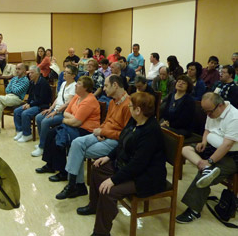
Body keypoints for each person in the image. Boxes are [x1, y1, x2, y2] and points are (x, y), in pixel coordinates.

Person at [77, 92, 166, 236]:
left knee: (109, 191)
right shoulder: (135, 121)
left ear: (138, 110)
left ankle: (100, 233)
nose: (129, 107)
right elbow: (122, 143)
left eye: (131, 106)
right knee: (97, 167)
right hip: (128, 166)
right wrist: (108, 157)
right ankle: (95, 206)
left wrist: (113, 180)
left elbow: (139, 164)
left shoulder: (151, 131)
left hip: (146, 177)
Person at [57, 75, 132, 200]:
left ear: (115, 85)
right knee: (76, 143)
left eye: (106, 86)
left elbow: (126, 136)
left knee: (77, 151)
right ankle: (75, 185)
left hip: (114, 141)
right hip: (103, 134)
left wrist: (104, 132)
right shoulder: (113, 102)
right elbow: (107, 121)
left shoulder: (128, 105)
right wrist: (101, 131)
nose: (103, 89)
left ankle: (75, 185)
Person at [176, 92, 238, 224]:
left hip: (232, 156)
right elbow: (207, 130)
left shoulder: (234, 117)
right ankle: (206, 168)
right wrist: (203, 142)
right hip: (212, 148)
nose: (208, 115)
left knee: (203, 177)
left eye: (209, 111)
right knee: (186, 149)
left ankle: (194, 211)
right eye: (205, 111)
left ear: (220, 105)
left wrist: (210, 161)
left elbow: (227, 145)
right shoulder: (212, 111)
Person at [35, 76, 100, 181]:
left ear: (86, 88)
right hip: (73, 126)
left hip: (86, 131)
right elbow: (66, 112)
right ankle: (50, 165)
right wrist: (70, 118)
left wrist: (67, 119)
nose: (76, 85)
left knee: (59, 138)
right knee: (51, 133)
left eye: (79, 83)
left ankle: (63, 172)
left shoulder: (89, 101)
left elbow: (77, 122)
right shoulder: (77, 97)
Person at [32, 65, 77, 157]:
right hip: (56, 110)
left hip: (64, 113)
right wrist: (50, 108)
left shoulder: (74, 86)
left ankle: (42, 147)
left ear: (73, 75)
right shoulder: (64, 83)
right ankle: (43, 142)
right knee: (39, 117)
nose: (64, 73)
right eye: (64, 71)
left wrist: (55, 112)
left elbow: (68, 103)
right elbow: (58, 98)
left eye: (67, 72)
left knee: (45, 121)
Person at [13, 66, 51, 142]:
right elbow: (30, 96)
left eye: (32, 73)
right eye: (29, 72)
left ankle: (27, 134)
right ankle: (20, 131)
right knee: (17, 111)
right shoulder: (32, 82)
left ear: (38, 74)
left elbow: (42, 100)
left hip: (41, 105)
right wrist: (27, 103)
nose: (29, 74)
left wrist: (30, 105)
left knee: (25, 113)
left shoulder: (43, 83)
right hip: (32, 104)